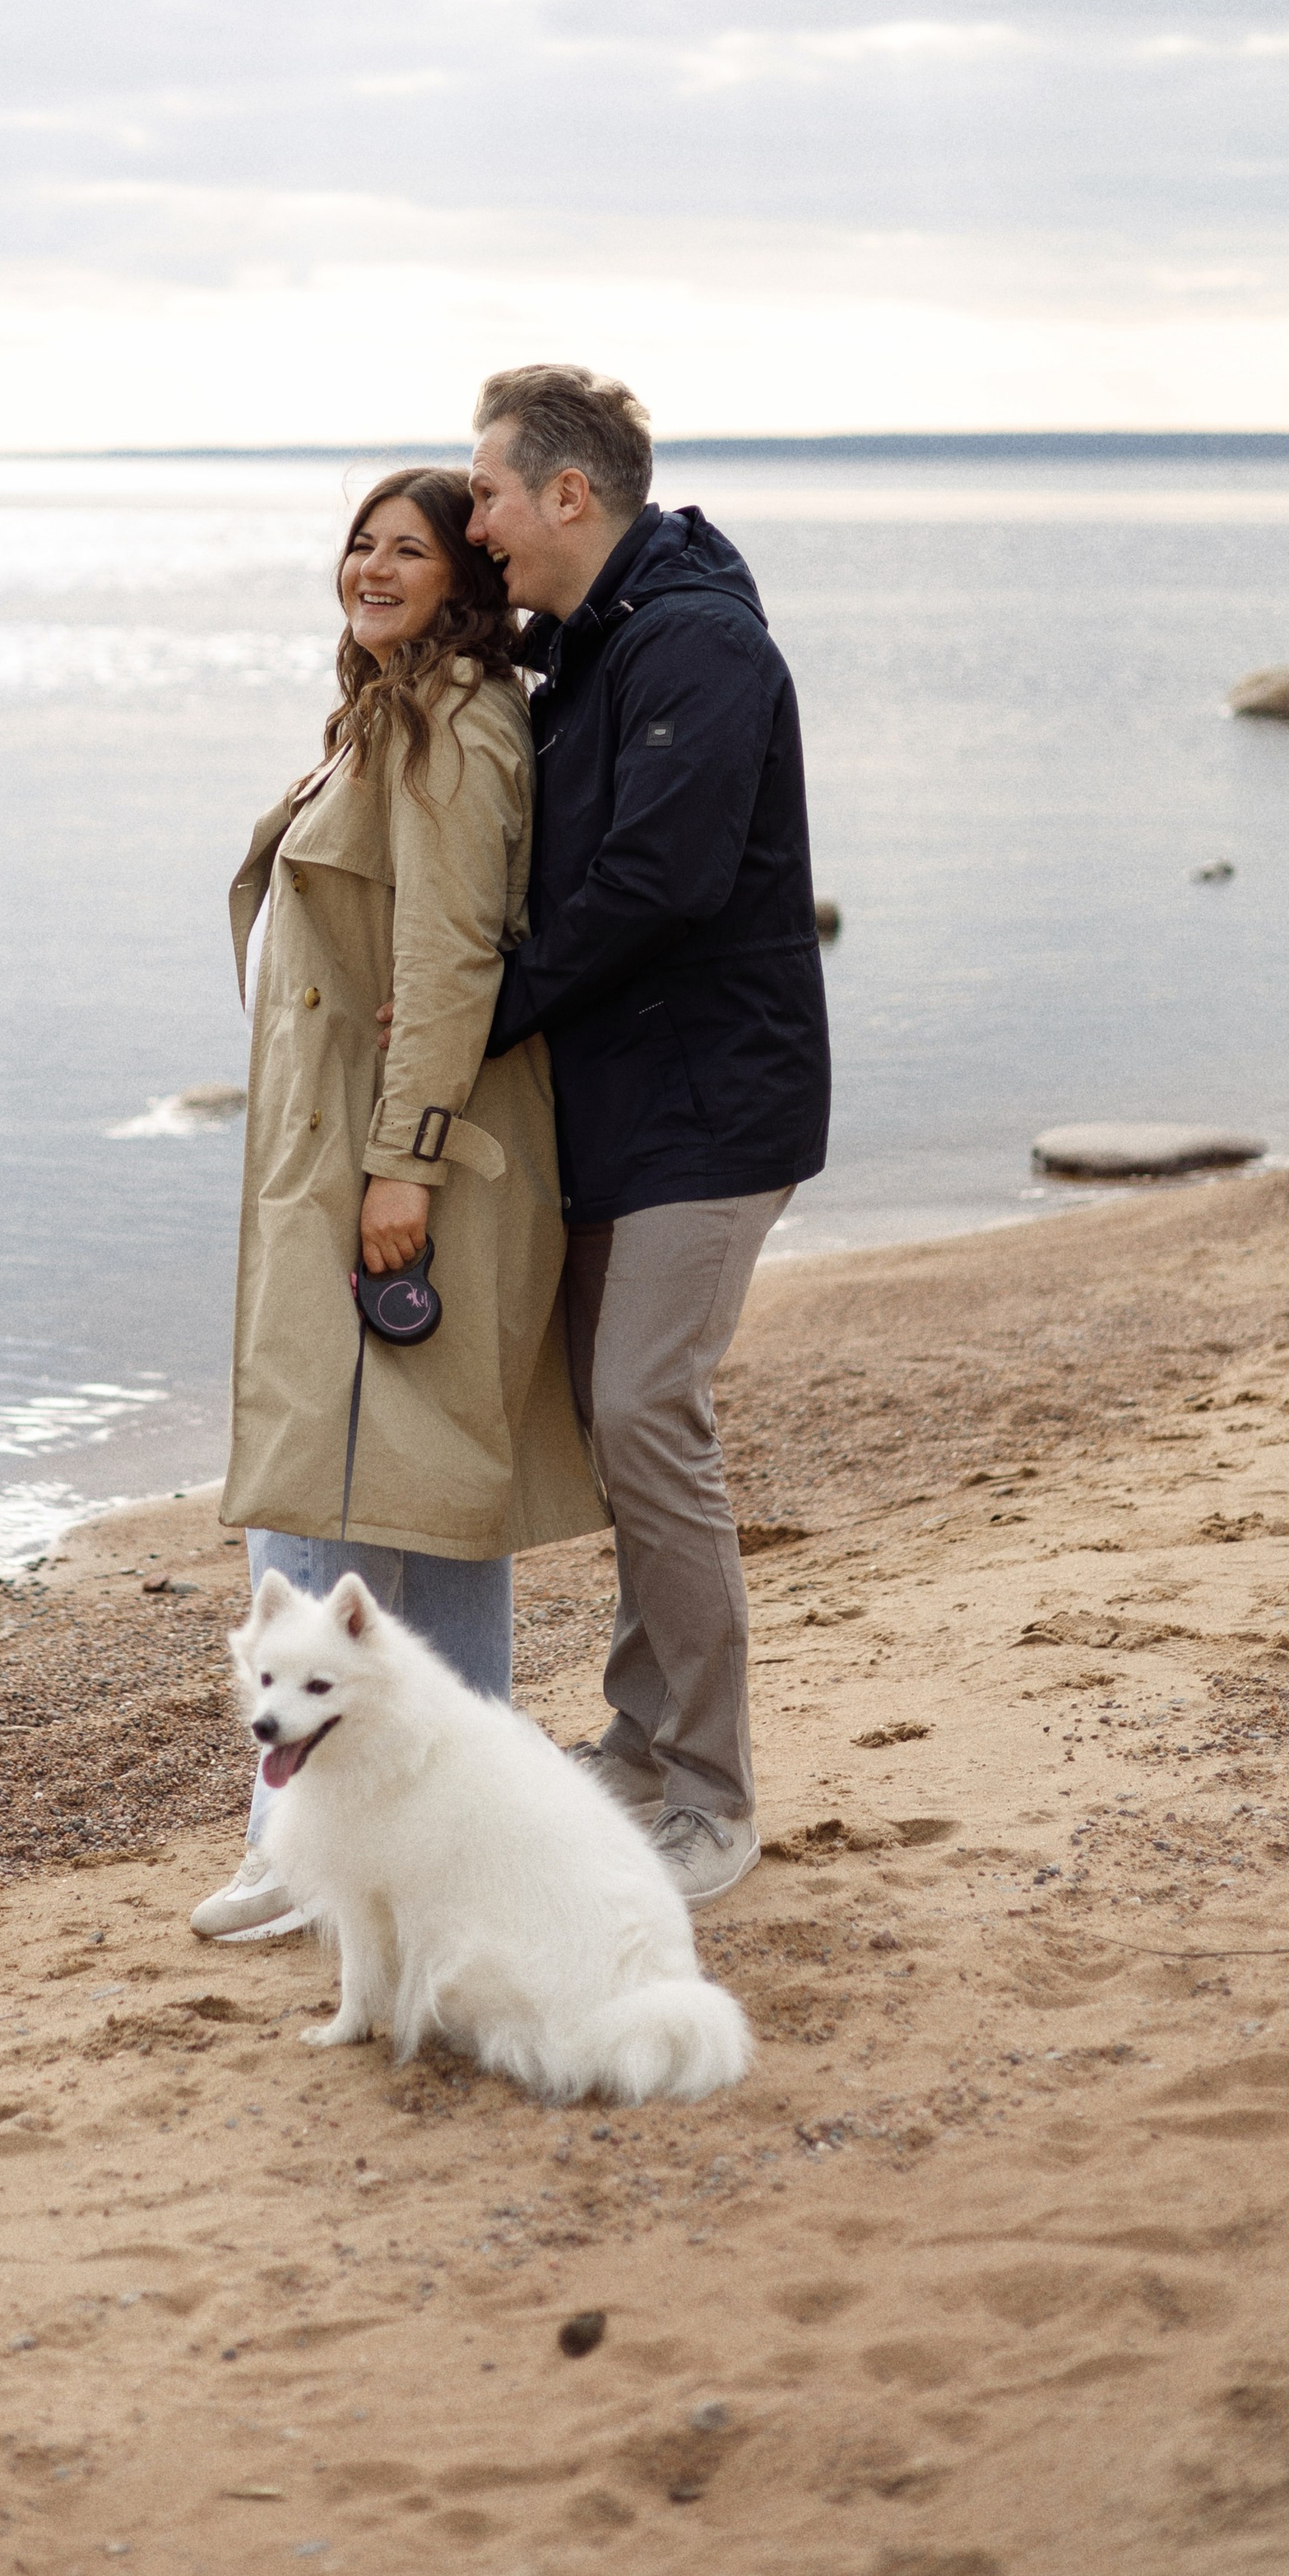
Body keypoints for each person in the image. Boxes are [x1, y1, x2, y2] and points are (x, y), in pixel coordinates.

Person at [191, 466, 605, 1939]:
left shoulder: (455, 721)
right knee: (404, 1504)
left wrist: (403, 1165)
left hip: (403, 1168)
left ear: (465, 580)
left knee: (353, 1507)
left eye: (408, 549)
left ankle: (307, 1847)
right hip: (348, 1152)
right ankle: (401, 1843)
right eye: (359, 542)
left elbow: (452, 961)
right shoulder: (385, 712)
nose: (370, 566)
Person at [465, 364, 832, 1907]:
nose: (471, 520)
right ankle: (635, 1735)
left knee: (644, 1414)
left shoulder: (696, 642)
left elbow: (658, 884)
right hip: (626, 1101)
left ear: (569, 493)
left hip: (715, 1105)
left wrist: (476, 1014)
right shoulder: (593, 647)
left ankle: (711, 1793)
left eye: (484, 492)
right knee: (625, 1427)